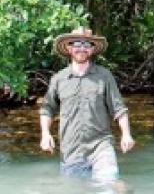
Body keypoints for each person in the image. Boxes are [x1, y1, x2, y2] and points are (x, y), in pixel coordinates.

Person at [39, 27, 135, 182]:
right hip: (71, 150)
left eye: (86, 44)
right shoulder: (58, 79)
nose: (81, 48)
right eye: (77, 44)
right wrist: (45, 134)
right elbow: (47, 109)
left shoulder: (104, 76)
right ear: (69, 48)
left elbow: (119, 108)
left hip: (101, 146)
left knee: (109, 185)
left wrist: (126, 134)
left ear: (92, 49)